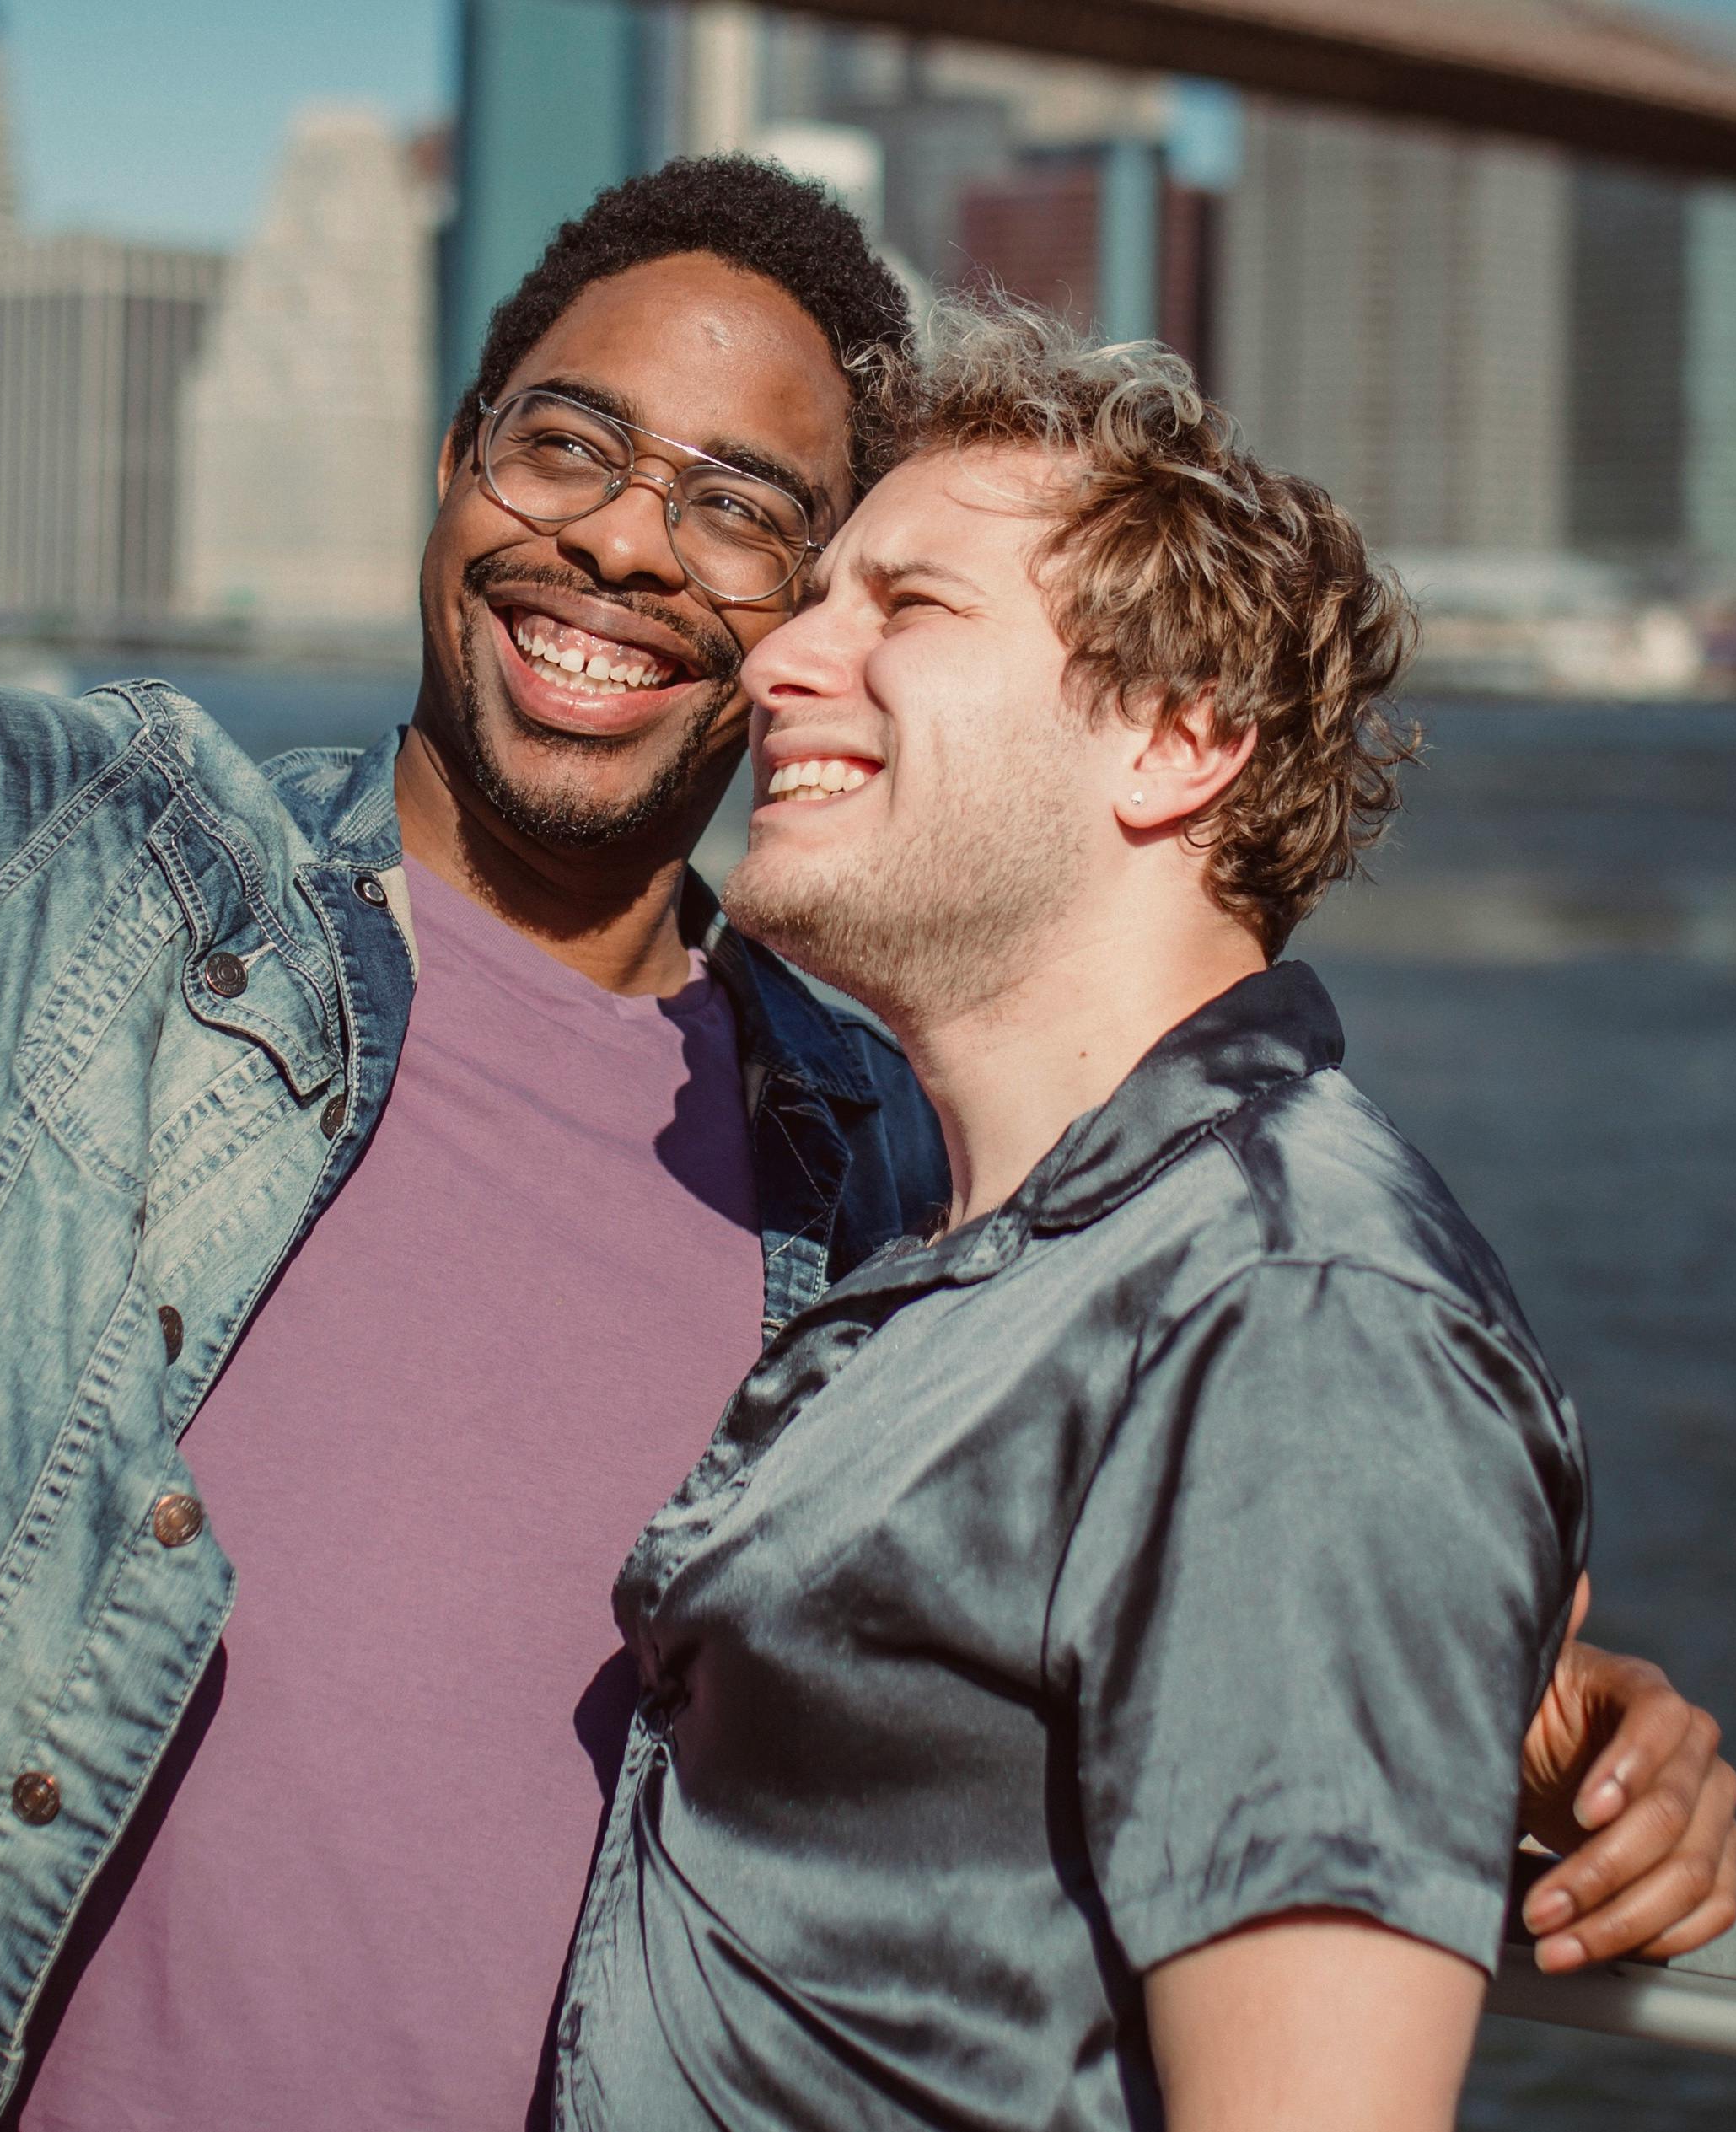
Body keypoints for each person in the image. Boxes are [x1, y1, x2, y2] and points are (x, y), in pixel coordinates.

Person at [0, 7, 1736, 2125]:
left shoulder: (887, 1149)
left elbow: (1205, 1548)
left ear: (804, 625)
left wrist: (1543, 1712)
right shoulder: (96, 884)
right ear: (451, 473)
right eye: (571, 444)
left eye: (754, 514)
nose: (632, 543)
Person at [550, 298, 1594, 2131]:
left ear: (1178, 739)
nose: (778, 659)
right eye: (816, 597)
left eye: (906, 605)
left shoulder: (1292, 1311)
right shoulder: (998, 1258)